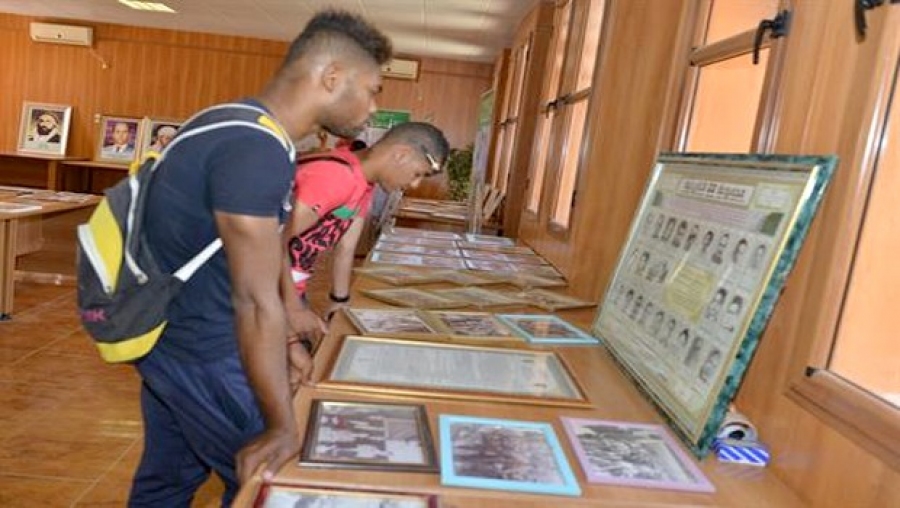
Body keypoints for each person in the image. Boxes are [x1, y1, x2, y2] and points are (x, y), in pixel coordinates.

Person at [132, 10, 391, 507]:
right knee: (271, 483)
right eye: (372, 89)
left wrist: (289, 329)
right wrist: (279, 423)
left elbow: (263, 252)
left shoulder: (229, 123)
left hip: (171, 340)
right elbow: (252, 301)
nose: (374, 107)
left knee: (167, 482)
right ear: (332, 76)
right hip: (206, 347)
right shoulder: (257, 149)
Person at [283, 122, 449, 339]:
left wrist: (339, 301)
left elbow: (346, 248)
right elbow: (269, 245)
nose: (415, 184)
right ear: (401, 154)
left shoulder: (364, 183)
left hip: (289, 288)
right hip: (260, 288)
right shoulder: (337, 176)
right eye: (417, 174)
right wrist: (292, 309)